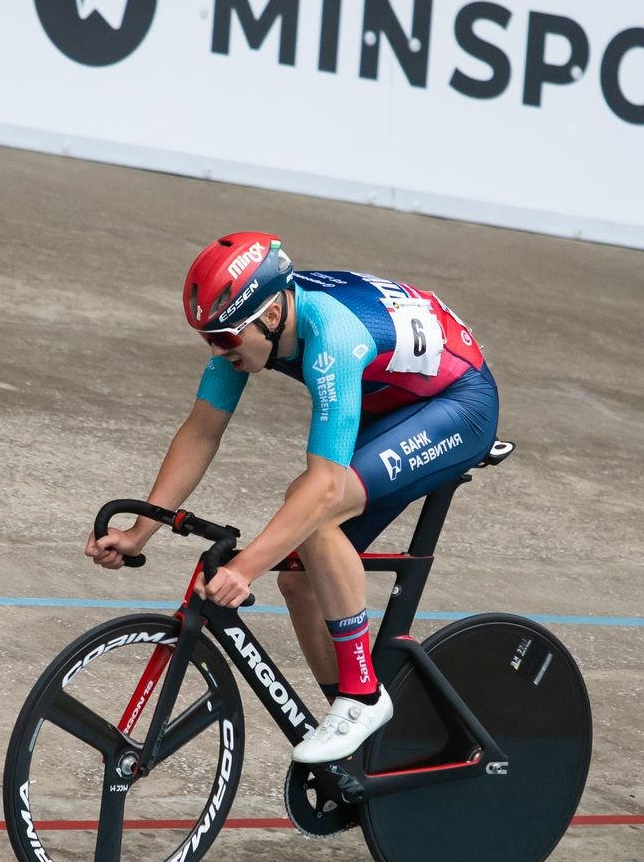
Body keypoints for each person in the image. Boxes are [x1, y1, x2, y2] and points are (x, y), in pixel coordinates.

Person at [87, 233, 499, 764]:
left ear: (273, 315)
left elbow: (324, 486)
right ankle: (359, 747)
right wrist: (142, 530)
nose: (216, 352)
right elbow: (200, 432)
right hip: (393, 402)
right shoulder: (256, 325)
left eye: (225, 338)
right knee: (298, 578)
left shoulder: (333, 337)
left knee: (316, 510)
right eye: (208, 338)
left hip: (458, 406)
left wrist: (244, 568)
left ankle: (363, 698)